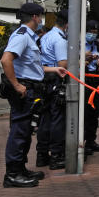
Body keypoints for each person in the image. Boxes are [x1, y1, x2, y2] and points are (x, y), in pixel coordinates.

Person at [1, 2, 64, 188]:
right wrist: (17, 85)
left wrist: (54, 69)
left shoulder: (29, 36)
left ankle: (20, 169)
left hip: (31, 87)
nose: (41, 19)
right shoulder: (21, 36)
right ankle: (12, 174)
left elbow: (33, 67)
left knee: (26, 131)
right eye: (41, 16)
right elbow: (6, 60)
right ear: (35, 17)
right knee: (19, 132)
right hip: (24, 89)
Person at [36, 10, 69, 170]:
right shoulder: (60, 39)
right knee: (57, 119)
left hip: (45, 80)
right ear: (68, 25)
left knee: (45, 118)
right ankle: (56, 155)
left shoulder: (46, 36)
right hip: (56, 79)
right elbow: (63, 64)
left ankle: (42, 154)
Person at [82, 19, 99, 155]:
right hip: (83, 79)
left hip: (95, 78)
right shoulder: (78, 44)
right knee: (84, 111)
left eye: (95, 32)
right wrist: (85, 59)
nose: (93, 34)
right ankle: (82, 142)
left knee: (94, 111)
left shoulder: (98, 45)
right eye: (91, 32)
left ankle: (91, 140)